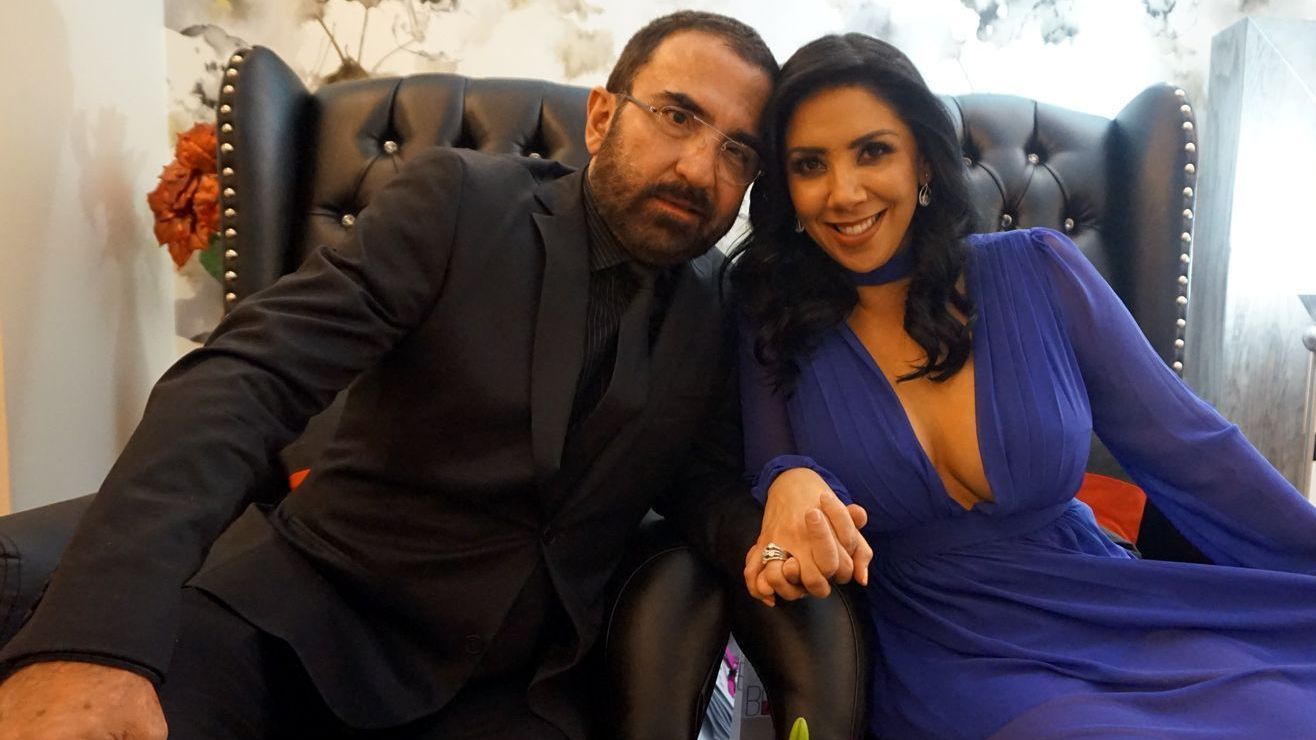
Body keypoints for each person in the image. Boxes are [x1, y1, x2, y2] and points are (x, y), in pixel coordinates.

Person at [0, 13, 868, 740]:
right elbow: (247, 377)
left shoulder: (718, 307)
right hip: (301, 628)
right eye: (677, 116)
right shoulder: (458, 204)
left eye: (738, 151)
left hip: (516, 692)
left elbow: (693, 481)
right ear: (603, 117)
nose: (699, 169)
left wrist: (772, 524)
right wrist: (95, 637)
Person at [730, 32, 1316, 738]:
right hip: (950, 647)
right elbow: (773, 468)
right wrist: (789, 483)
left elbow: (1194, 448)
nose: (844, 191)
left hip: (1108, 604)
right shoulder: (771, 314)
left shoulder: (1039, 269)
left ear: (922, 159)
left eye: (873, 151)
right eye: (810, 164)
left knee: (1285, 708)